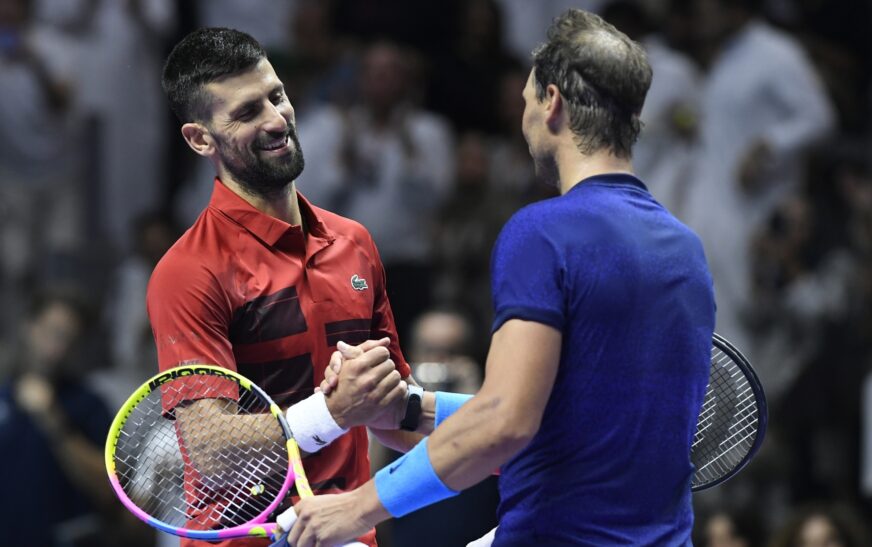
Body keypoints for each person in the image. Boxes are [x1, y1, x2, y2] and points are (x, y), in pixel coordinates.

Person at [285, 9, 716, 546]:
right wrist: (410, 409)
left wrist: (357, 509)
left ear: (552, 102)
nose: (524, 115)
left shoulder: (544, 233)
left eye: (527, 100)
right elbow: (569, 416)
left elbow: (507, 422)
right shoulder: (685, 250)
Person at [149, 28, 421, 547]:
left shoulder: (354, 243)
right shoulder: (188, 271)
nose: (277, 120)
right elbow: (210, 452)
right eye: (247, 112)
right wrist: (334, 412)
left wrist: (516, 438)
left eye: (276, 96)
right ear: (199, 138)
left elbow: (393, 414)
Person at [0, 288, 150, 547]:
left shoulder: (88, 405)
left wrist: (53, 421)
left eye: (69, 339)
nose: (57, 348)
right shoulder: (4, 397)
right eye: (53, 333)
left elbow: (108, 491)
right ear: (30, 327)